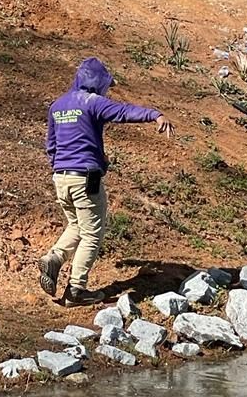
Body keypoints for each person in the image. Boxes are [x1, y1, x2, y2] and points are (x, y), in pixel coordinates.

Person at [38, 57, 173, 307]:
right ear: (97, 82)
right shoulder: (92, 102)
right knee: (92, 233)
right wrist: (155, 115)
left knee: (77, 224)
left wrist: (60, 168)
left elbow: (51, 146)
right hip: (86, 178)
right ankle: (76, 290)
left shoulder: (57, 106)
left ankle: (54, 259)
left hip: (61, 177)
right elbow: (123, 112)